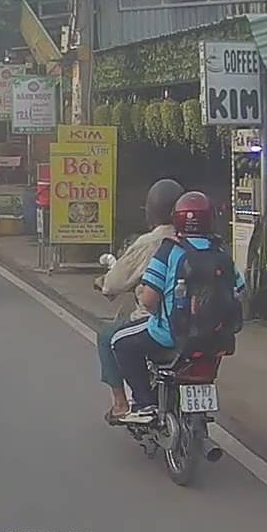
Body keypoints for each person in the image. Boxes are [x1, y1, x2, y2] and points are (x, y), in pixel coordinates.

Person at [111, 191, 246, 425]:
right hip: (218, 340)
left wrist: (158, 312)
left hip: (171, 336)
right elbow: (239, 290)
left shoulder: (169, 250)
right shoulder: (221, 252)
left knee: (119, 342)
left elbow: (149, 300)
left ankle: (144, 404)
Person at [93, 178, 184, 424]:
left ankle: (123, 404)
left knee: (109, 337)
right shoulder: (201, 241)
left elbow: (114, 284)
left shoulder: (152, 243)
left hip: (161, 322)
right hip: (203, 324)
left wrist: (103, 283)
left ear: (151, 210)